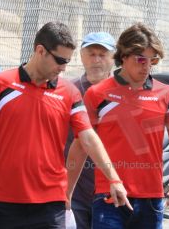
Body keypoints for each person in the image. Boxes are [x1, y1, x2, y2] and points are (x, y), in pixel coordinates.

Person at [0, 21, 131, 229]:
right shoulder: (0, 83)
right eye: (60, 60)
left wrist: (114, 178)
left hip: (51, 203)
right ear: (40, 51)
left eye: (67, 61)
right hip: (5, 202)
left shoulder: (69, 92)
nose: (64, 67)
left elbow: (88, 137)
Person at [68, 22, 169, 229]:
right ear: (123, 56)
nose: (148, 66)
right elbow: (81, 145)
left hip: (151, 199)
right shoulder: (97, 94)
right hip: (109, 196)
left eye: (153, 60)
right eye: (141, 59)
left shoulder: (168, 95)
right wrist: (67, 192)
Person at [65, 31, 116, 229]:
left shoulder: (124, 94)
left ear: (113, 58)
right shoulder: (69, 91)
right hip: (75, 189)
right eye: (91, 54)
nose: (96, 60)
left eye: (102, 55)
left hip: (111, 188)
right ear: (81, 56)